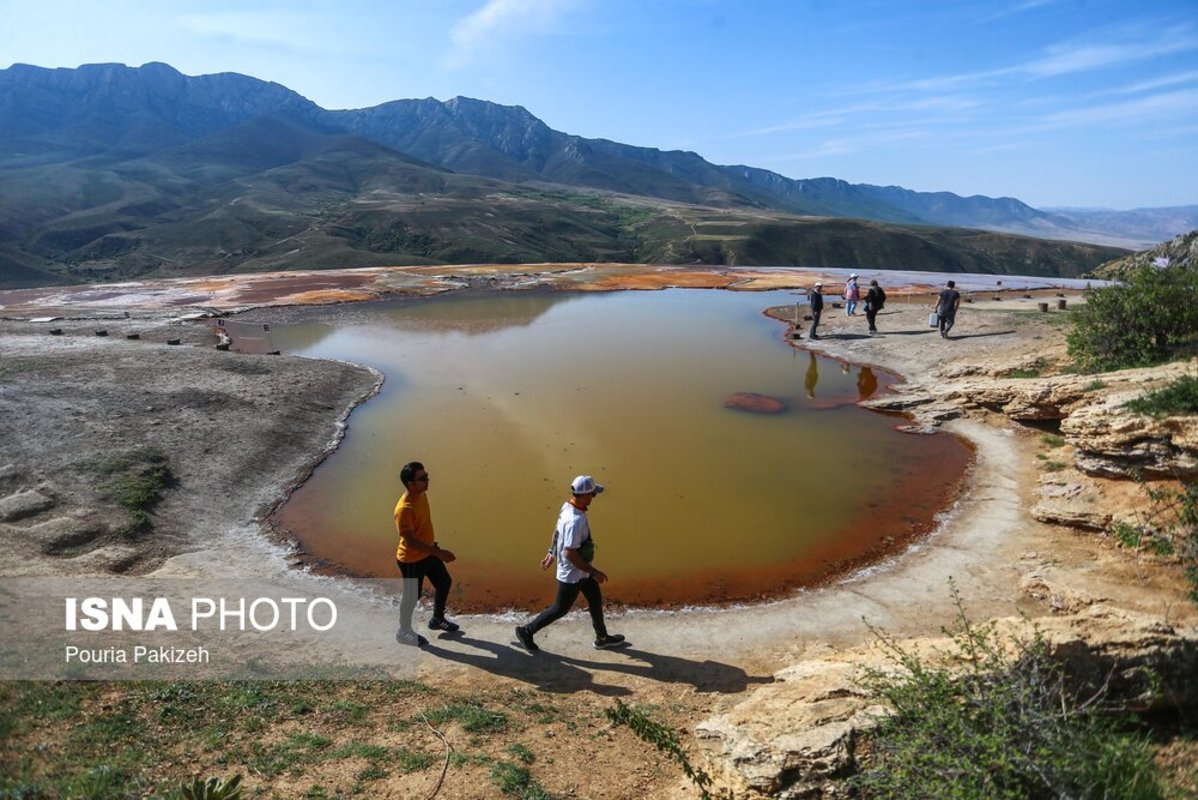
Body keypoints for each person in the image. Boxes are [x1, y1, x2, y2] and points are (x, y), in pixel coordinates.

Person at [515, 475, 625, 652]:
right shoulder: (576, 521)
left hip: (582, 571)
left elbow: (557, 532)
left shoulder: (568, 506)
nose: (593, 498)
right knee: (559, 609)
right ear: (583, 496)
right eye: (592, 494)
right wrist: (593, 571)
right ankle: (526, 631)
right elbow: (570, 553)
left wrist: (551, 551)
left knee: (595, 599)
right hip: (573, 574)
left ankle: (602, 638)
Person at [394, 461, 459, 647]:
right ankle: (403, 631)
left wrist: (434, 549)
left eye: (426, 476)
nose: (427, 481)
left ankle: (438, 619)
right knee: (411, 596)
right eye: (422, 479)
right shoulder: (404, 509)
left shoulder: (421, 495)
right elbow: (410, 542)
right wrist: (439, 553)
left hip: (428, 551)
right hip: (411, 560)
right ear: (410, 484)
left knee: (444, 582)